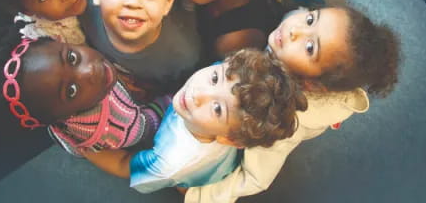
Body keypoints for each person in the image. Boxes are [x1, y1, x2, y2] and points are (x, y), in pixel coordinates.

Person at [184, 5, 401, 203]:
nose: (294, 30)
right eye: (310, 20)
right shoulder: (291, 34)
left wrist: (200, 196)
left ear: (311, 84)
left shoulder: (284, 122)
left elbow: (256, 178)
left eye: (309, 47)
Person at [82, 48, 307, 193]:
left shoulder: (170, 162)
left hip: (197, 170)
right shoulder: (233, 81)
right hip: (203, 144)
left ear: (228, 138)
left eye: (217, 109)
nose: (199, 94)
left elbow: (124, 165)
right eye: (215, 77)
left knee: (184, 183)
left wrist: (83, 145)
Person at [0, 23, 170, 155]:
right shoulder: (123, 128)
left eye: (72, 58)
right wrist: (170, 99)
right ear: (61, 118)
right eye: (71, 91)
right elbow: (150, 122)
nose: (89, 70)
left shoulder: (74, 89)